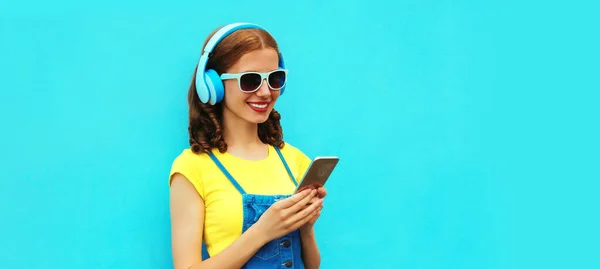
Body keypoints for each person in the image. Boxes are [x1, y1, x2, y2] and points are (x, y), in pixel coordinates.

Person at [168, 22, 327, 269]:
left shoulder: (294, 160)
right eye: (250, 80)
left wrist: (305, 227)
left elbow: (311, 266)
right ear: (213, 85)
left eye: (275, 78)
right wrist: (263, 231)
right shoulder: (192, 168)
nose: (265, 92)